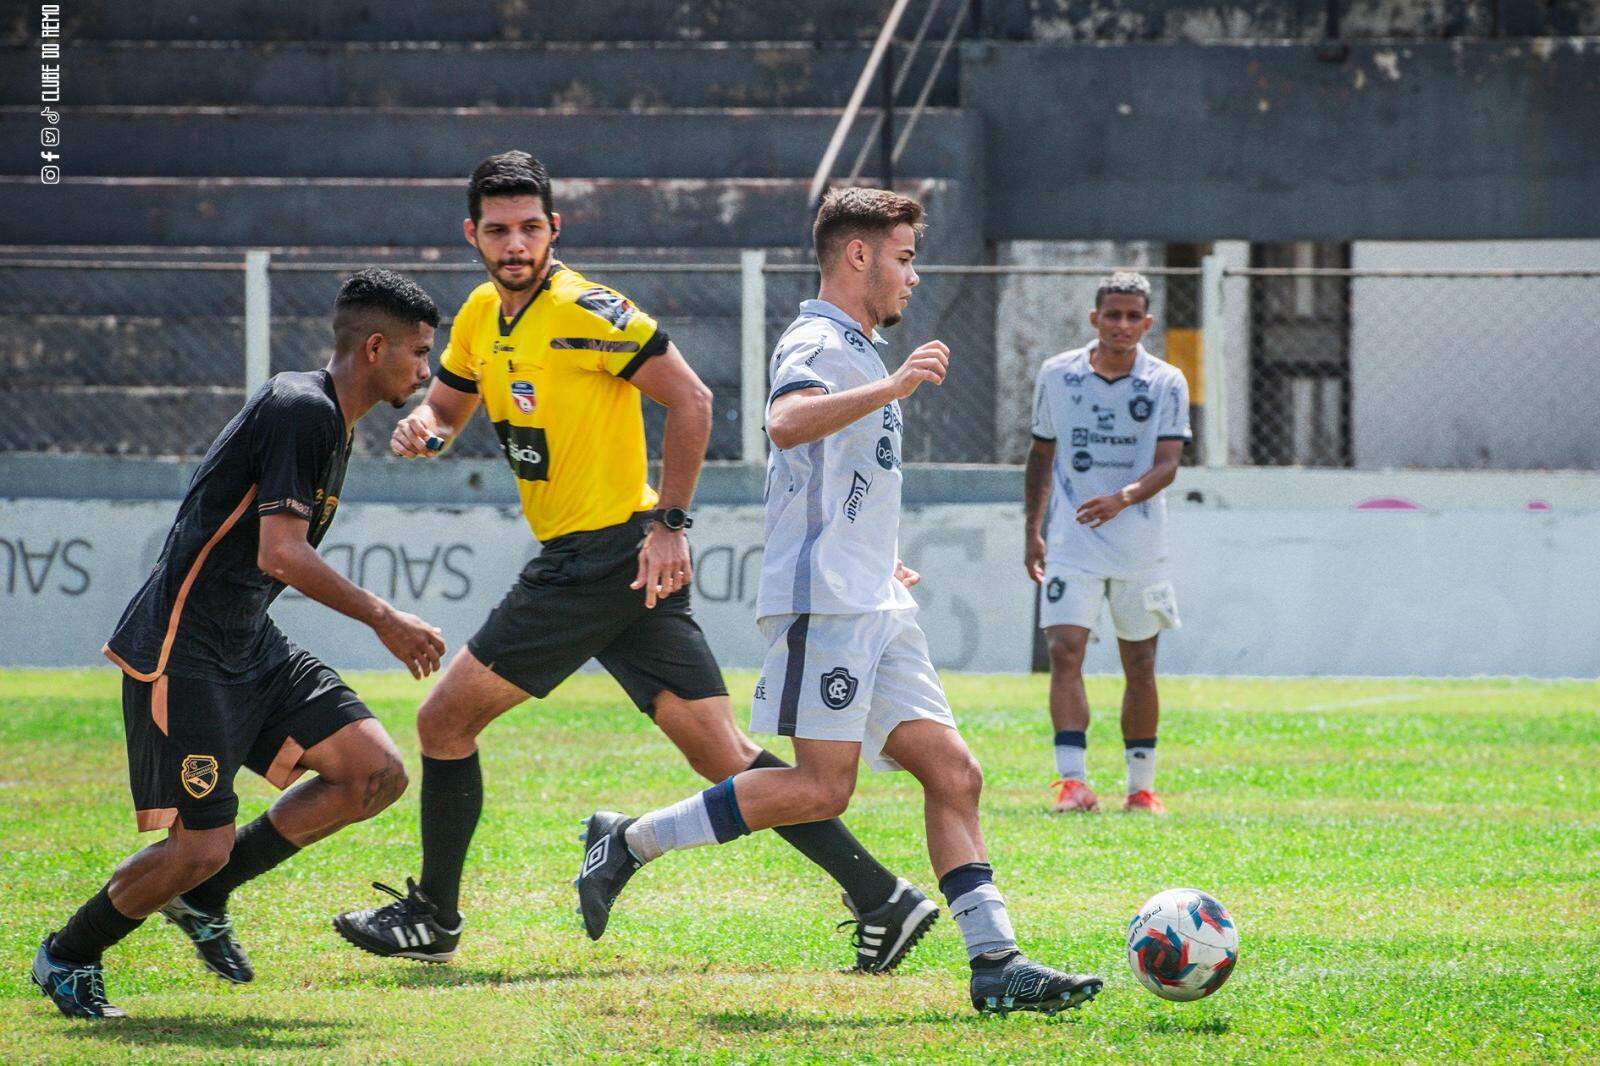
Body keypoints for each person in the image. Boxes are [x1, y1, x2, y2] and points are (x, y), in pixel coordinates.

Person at [334, 152, 934, 974]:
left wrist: (670, 524)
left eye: (532, 228)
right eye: (500, 230)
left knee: (443, 721)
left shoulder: (589, 309)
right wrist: (429, 428)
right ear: (473, 234)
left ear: (556, 229)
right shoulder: (478, 314)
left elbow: (692, 399)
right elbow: (450, 398)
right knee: (722, 752)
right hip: (606, 563)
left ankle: (433, 916)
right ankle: (882, 898)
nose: (517, 244)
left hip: (601, 555)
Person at [576, 187, 1103, 1017]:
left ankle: (995, 964)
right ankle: (629, 842)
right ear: (858, 256)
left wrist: (882, 556)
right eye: (903, 257)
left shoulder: (857, 345)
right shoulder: (819, 339)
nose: (913, 277)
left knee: (954, 773)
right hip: (822, 603)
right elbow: (786, 424)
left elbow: (838, 481)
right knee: (823, 790)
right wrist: (892, 387)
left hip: (872, 602)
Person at [31, 269, 447, 1018]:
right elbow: (280, 553)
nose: (426, 371)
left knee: (374, 772)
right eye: (419, 353)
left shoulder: (330, 418)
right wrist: (386, 618)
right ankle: (68, 954)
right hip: (186, 651)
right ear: (376, 347)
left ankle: (206, 898)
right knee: (198, 845)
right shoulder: (302, 411)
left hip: (249, 642)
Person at [1023, 271, 1191, 815]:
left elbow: (1168, 464)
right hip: (1073, 543)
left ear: (1147, 322)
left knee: (1139, 663)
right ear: (1095, 319)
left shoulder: (1166, 381)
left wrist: (1122, 497)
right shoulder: (1057, 375)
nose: (1121, 325)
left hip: (1140, 544)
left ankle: (1140, 788)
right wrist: (1033, 531)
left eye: (1132, 316)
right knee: (1064, 650)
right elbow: (1041, 454)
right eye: (1111, 314)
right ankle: (1072, 783)